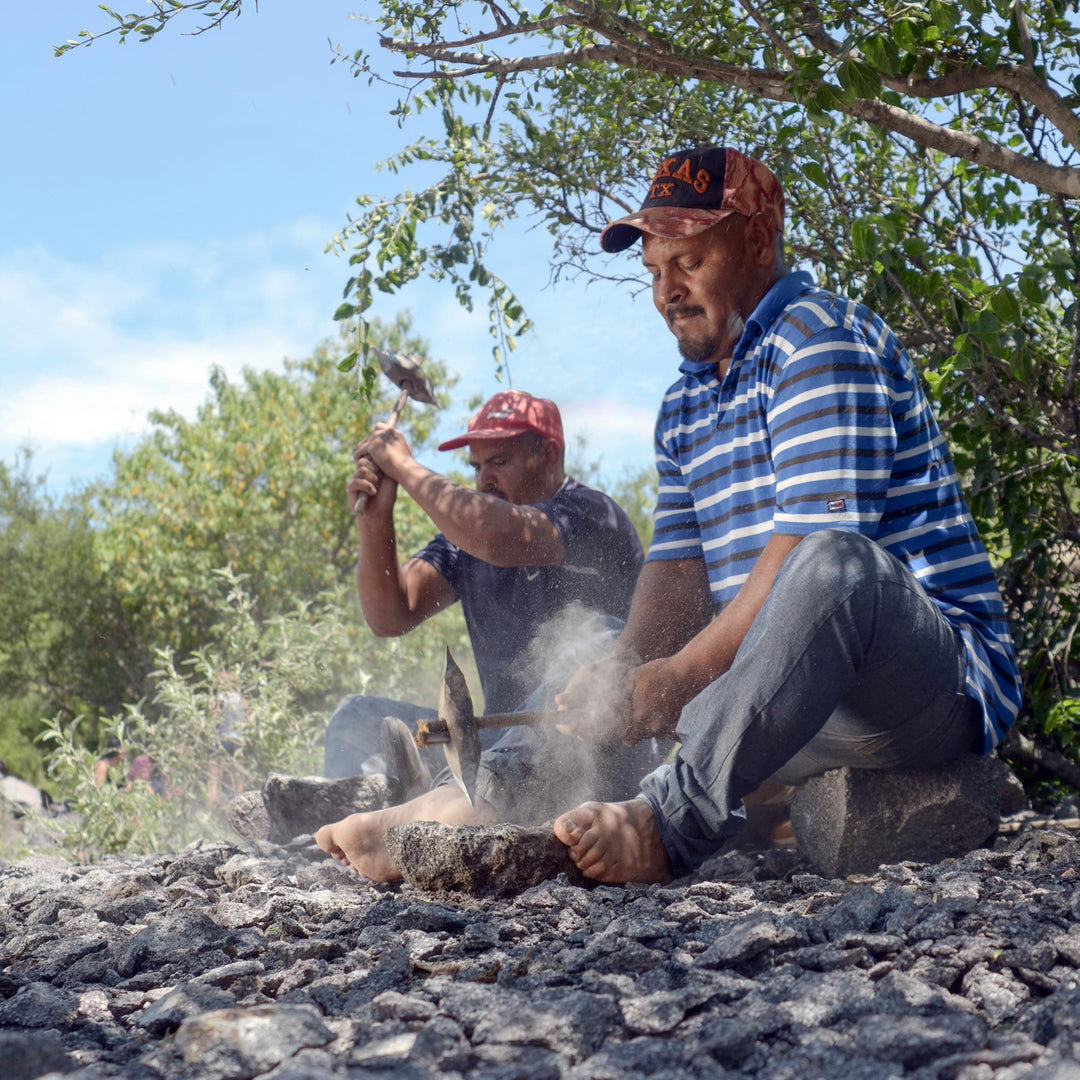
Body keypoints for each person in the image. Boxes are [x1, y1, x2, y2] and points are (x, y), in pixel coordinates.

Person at [543, 145, 1023, 883]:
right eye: (654, 271)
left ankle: (672, 821)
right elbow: (676, 569)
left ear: (757, 242)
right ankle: (488, 802)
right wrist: (627, 669)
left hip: (918, 692)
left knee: (834, 566)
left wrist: (676, 682)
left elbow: (815, 566)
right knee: (595, 644)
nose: (666, 290)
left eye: (688, 262)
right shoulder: (684, 403)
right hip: (785, 700)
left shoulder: (817, 341)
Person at [310, 390, 662, 872]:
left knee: (596, 639)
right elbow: (390, 614)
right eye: (475, 467)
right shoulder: (466, 542)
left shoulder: (593, 515)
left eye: (497, 461)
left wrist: (406, 469)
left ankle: (449, 813)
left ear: (550, 455)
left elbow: (502, 537)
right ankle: (361, 835)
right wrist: (377, 519)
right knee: (357, 718)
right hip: (493, 753)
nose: (483, 479)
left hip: (599, 756)